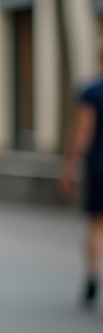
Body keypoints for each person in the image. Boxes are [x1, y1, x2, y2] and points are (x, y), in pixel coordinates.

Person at [58, 39, 103, 309]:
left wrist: (70, 165)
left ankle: (92, 275)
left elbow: (83, 131)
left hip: (99, 165)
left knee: (97, 224)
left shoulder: (92, 92)